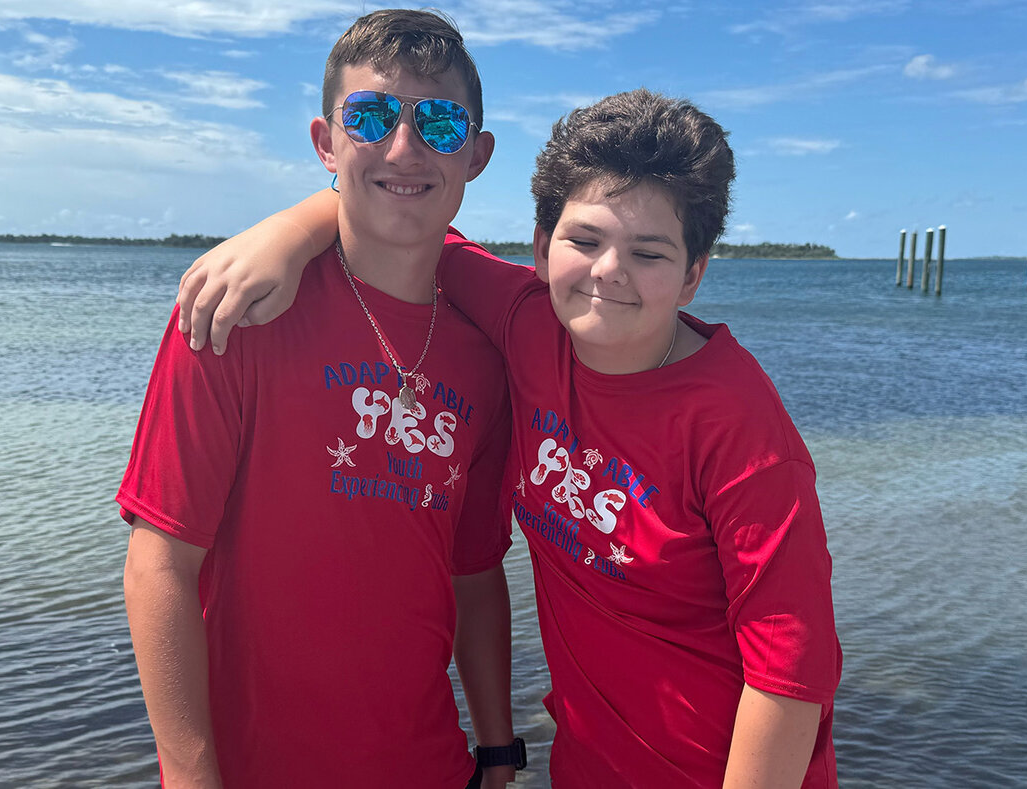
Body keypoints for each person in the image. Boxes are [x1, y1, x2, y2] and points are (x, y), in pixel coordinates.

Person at [179, 89, 842, 787]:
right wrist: (288, 232)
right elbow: (411, 222)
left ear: (692, 276)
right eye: (584, 240)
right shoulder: (528, 326)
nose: (608, 270)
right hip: (586, 767)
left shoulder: (740, 429)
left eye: (649, 252)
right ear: (541, 248)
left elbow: (790, 674)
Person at [118, 10, 524, 788]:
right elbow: (159, 564)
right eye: (370, 117)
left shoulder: (484, 356)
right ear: (325, 142)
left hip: (433, 766)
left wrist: (499, 744)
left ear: (476, 155)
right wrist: (191, 775)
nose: (404, 147)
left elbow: (474, 571)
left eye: (438, 122)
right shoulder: (237, 311)